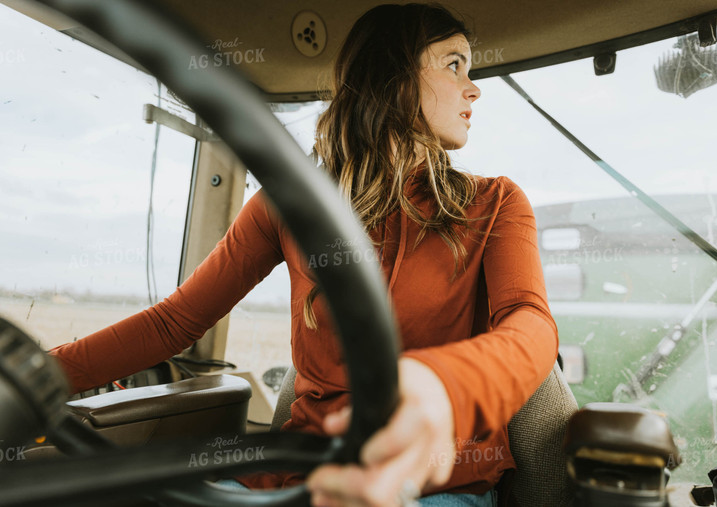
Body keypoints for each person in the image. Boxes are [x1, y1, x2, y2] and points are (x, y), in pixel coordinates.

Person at [49, 3, 558, 506]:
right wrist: (38, 375)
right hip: (294, 478)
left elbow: (530, 323)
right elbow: (174, 323)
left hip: (435, 486)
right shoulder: (287, 204)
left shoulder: (495, 203)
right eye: (454, 64)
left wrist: (444, 385)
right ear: (394, 77)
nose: (474, 88)